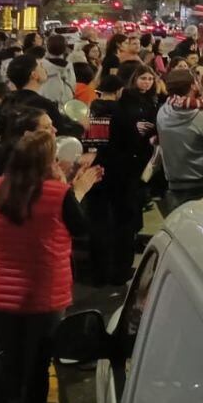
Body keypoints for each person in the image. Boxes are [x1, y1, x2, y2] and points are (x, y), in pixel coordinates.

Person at [0, 129, 101, 403]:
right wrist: (78, 189)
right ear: (47, 162)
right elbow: (81, 228)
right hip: (43, 292)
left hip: (1, 292)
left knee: (7, 364)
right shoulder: (56, 194)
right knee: (37, 367)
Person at [87, 64, 158, 286]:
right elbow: (132, 142)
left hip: (97, 173)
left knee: (99, 223)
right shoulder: (119, 113)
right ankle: (119, 271)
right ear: (119, 91)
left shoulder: (94, 110)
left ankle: (99, 272)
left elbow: (92, 145)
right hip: (122, 174)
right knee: (123, 223)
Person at [155, 70, 203, 213]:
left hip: (173, 185)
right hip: (201, 187)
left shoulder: (163, 111)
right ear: (193, 86)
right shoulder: (202, 117)